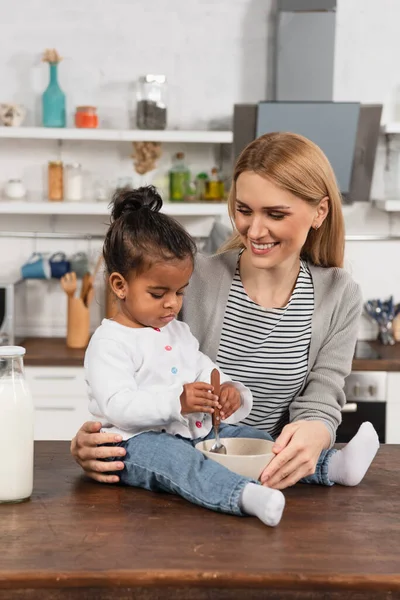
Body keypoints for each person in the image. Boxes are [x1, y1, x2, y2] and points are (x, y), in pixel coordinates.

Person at [72, 132, 379, 494]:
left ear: (319, 212)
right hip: (182, 475)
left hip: (274, 478)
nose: (255, 230)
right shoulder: (189, 279)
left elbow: (323, 396)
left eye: (275, 214)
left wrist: (318, 430)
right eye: (244, 210)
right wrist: (90, 440)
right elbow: (131, 365)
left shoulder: (339, 294)